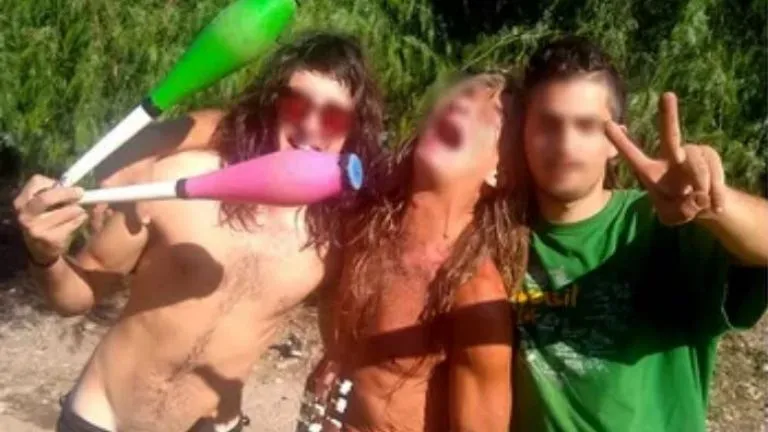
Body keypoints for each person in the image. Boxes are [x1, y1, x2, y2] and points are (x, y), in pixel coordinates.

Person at [12, 33, 384, 432]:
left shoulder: (335, 240)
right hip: (101, 420)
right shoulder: (176, 179)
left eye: (333, 117)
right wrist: (44, 254)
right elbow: (76, 295)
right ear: (273, 104)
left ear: (353, 130)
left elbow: (346, 332)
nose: (310, 126)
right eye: (297, 103)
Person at [512, 36, 768, 432]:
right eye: (548, 124)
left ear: (617, 142)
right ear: (522, 132)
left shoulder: (658, 226)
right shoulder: (498, 237)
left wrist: (712, 206)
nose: (565, 145)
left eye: (586, 126)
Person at [309, 72, 529, 431]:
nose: (463, 104)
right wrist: (337, 356)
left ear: (501, 172)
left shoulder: (476, 298)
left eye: (494, 113)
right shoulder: (366, 227)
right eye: (463, 94)